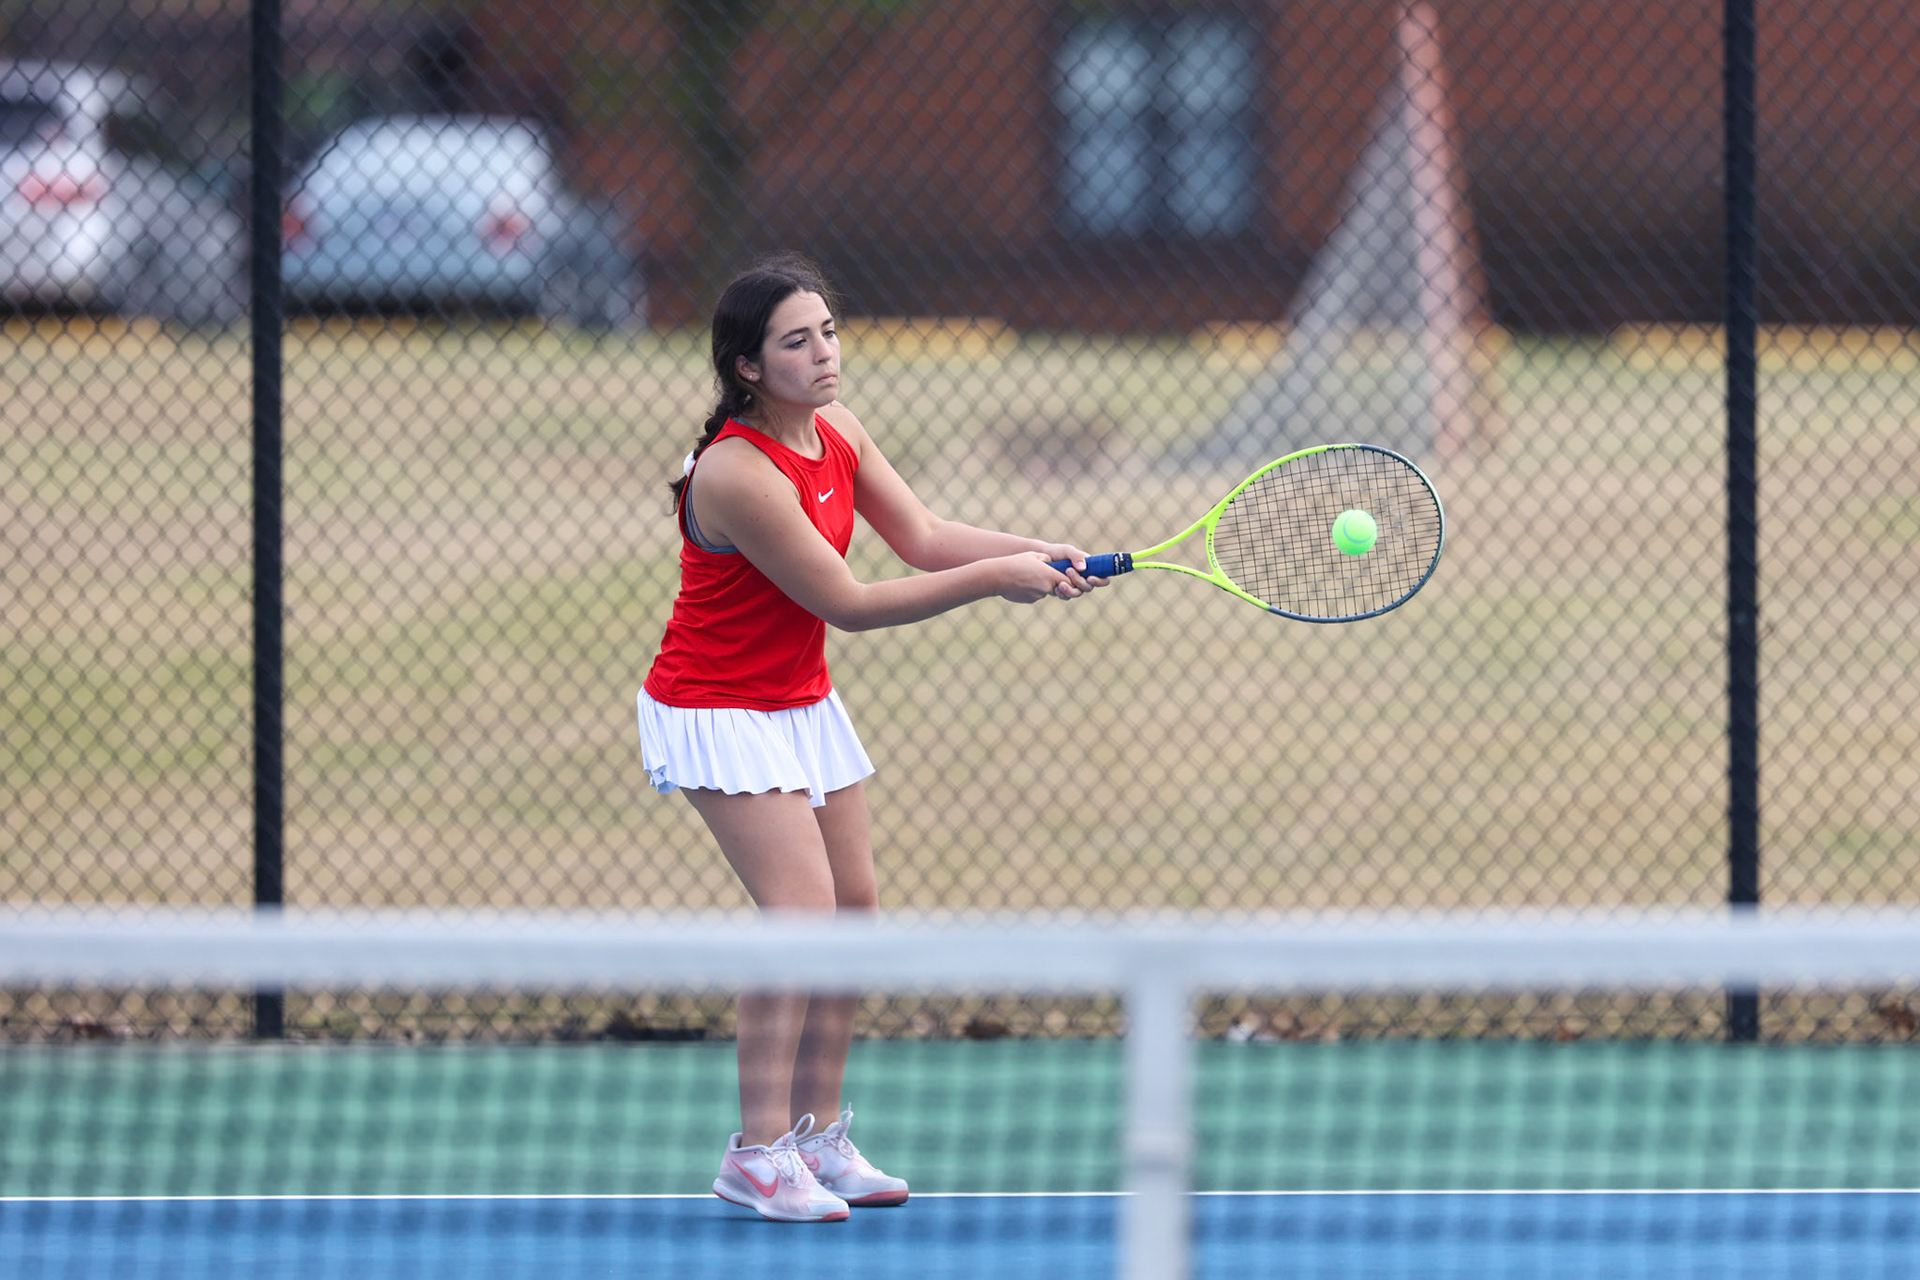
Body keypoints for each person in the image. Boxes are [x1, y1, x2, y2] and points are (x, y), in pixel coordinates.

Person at [636, 254, 1105, 1223]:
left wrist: (1034, 548)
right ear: (748, 367)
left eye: (829, 332)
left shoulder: (838, 430)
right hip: (718, 706)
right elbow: (847, 601)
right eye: (796, 341)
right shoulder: (735, 471)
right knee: (800, 915)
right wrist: (999, 579)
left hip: (798, 697)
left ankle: (817, 1135)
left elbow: (925, 535)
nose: (823, 353)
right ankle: (757, 1152)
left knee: (853, 909)